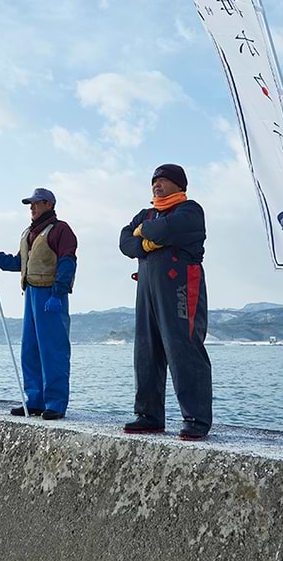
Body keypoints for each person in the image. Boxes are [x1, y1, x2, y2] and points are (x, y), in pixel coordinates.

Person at [119, 164, 212, 441]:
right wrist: (146, 243)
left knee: (183, 346)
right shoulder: (147, 212)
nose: (156, 185)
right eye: (154, 181)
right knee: (146, 349)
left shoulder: (190, 210)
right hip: (147, 287)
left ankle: (196, 418)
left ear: (178, 185)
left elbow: (168, 228)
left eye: (163, 180)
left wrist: (145, 232)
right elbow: (124, 240)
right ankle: (148, 415)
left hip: (181, 285)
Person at [0, 187, 78, 420]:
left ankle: (55, 403)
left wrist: (59, 293)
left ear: (49, 204)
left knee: (53, 350)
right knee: (30, 351)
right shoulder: (28, 233)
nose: (32, 207)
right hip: (31, 294)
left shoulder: (60, 230)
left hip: (50, 296)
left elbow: (67, 262)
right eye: (30, 204)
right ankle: (35, 400)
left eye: (37, 203)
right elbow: (19, 262)